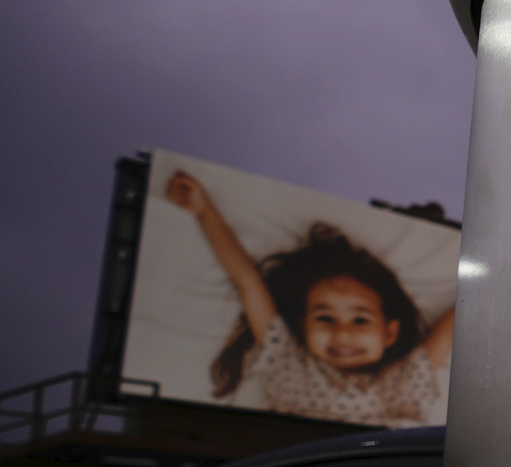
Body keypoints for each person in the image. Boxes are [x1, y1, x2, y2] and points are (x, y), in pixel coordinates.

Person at [166, 169, 452, 426]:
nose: (342, 332)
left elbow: (457, 320)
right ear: (303, 325)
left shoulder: (406, 377)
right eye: (324, 317)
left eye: (360, 320)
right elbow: (248, 282)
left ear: (389, 333)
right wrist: (205, 212)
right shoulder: (286, 359)